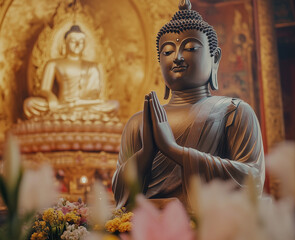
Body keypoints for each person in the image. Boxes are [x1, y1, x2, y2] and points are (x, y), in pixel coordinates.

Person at [112, 0, 265, 209]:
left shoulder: (234, 112)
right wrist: (146, 152)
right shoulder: (140, 122)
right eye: (167, 51)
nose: (177, 57)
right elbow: (121, 194)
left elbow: (252, 180)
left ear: (215, 58)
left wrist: (173, 150)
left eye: (191, 48)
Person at [23, 25, 118, 119]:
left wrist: (79, 103)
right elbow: (44, 89)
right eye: (73, 41)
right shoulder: (53, 63)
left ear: (85, 45)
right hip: (61, 105)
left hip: (85, 106)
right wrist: (51, 98)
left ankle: (68, 117)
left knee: (114, 105)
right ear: (65, 43)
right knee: (30, 104)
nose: (77, 44)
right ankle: (75, 117)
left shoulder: (93, 66)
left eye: (81, 42)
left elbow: (98, 98)